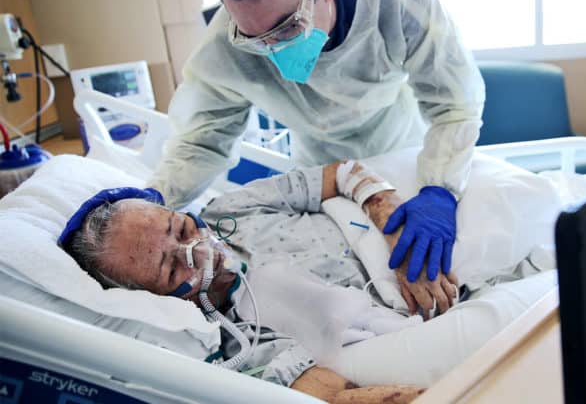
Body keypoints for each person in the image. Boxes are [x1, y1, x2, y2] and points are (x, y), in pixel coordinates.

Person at [148, 0, 485, 290]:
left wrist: (440, 188)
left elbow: (456, 106)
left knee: (435, 262)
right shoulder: (229, 37)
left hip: (401, 155)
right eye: (257, 41)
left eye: (287, 28)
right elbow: (199, 141)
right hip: (319, 174)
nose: (275, 50)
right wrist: (153, 199)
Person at [59, 160, 461, 402]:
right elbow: (334, 395)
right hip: (435, 323)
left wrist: (396, 232)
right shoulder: (238, 342)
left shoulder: (232, 208)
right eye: (171, 270)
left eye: (181, 229)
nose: (198, 252)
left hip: (426, 246)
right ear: (155, 297)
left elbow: (345, 173)